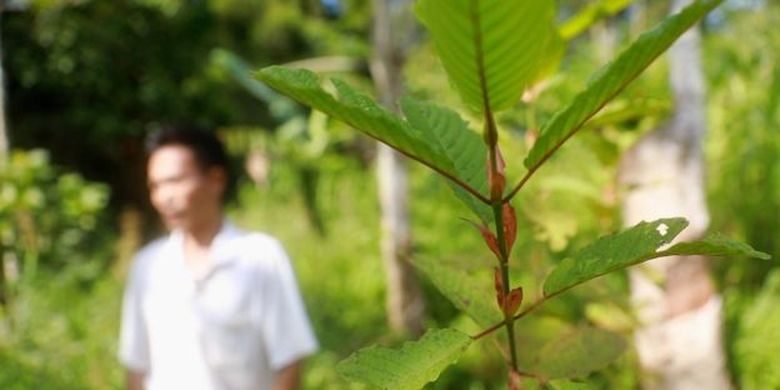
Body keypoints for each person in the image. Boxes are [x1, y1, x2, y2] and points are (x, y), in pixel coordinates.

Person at [119, 127, 317, 390]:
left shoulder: (261, 257)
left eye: (176, 181)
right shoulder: (147, 266)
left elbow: (289, 361)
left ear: (216, 179)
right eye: (155, 185)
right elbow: (138, 367)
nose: (164, 197)